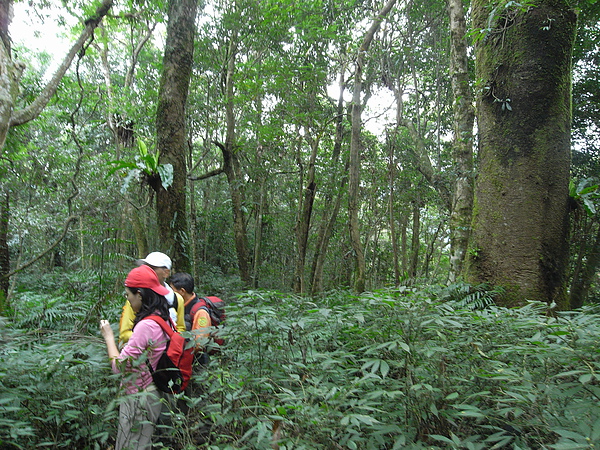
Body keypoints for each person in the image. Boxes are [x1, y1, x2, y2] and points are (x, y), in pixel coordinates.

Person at [100, 264, 171, 450]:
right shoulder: (162, 317)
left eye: (128, 295)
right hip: (152, 391)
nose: (128, 299)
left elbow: (119, 366)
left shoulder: (146, 326)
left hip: (139, 396)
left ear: (139, 294)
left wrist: (108, 337)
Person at [119, 252, 185, 344]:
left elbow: (181, 328)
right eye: (145, 267)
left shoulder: (177, 299)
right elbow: (124, 333)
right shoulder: (137, 299)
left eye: (152, 268)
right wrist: (150, 337)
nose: (147, 271)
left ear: (166, 273)